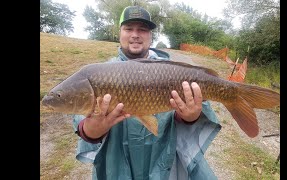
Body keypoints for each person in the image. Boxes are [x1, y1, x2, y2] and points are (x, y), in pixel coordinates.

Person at [72, 5, 221, 180]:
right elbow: (82, 122)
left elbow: (198, 111)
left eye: (142, 29)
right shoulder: (99, 73)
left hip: (165, 161)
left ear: (151, 36)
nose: (135, 34)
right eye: (128, 29)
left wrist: (190, 117)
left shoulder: (173, 71)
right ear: (119, 33)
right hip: (117, 164)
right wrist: (92, 130)